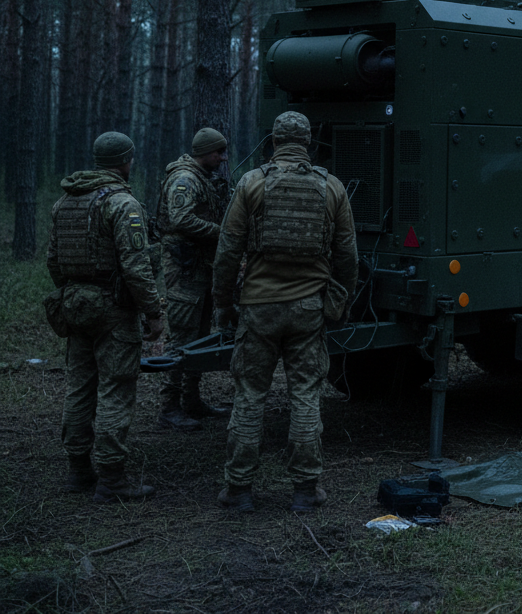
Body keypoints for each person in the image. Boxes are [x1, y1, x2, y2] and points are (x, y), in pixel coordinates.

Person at [211, 111, 359, 514]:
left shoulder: (251, 183)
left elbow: (227, 253)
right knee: (306, 395)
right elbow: (347, 256)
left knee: (250, 395)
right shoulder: (332, 188)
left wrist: (224, 304)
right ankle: (306, 490)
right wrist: (339, 303)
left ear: (273, 141)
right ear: (307, 142)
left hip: (258, 309)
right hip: (309, 309)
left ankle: (239, 490)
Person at [46, 131, 164, 502]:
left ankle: (78, 470)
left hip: (75, 305)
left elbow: (53, 261)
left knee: (79, 386)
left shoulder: (65, 202)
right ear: (125, 161)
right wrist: (154, 312)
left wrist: (75, 292)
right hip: (113, 309)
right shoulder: (122, 203)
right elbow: (136, 266)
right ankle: (112, 479)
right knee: (116, 387)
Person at [156, 127, 231, 431]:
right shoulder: (185, 180)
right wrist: (222, 233)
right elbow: (180, 219)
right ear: (205, 152)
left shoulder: (202, 178)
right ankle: (168, 407)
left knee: (198, 338)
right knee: (182, 338)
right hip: (184, 269)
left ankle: (191, 401)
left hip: (199, 267)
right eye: (218, 152)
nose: (223, 158)